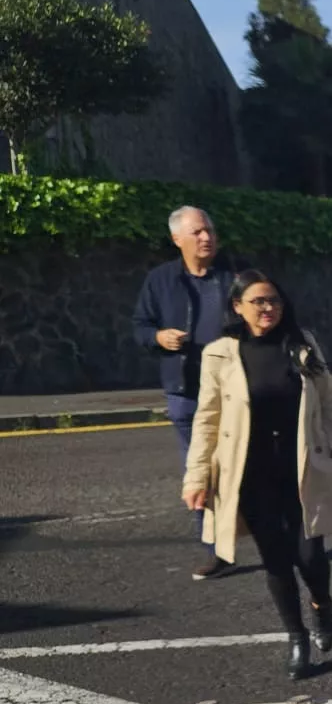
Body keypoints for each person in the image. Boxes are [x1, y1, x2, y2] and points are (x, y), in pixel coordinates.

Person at [181, 271, 332, 679]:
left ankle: (322, 606)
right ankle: (297, 639)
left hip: (301, 465)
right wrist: (196, 477)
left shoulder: (302, 343)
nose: (268, 308)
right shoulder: (220, 353)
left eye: (273, 299)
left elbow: (327, 397)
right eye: (257, 301)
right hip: (250, 471)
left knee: (310, 556)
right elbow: (206, 418)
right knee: (275, 560)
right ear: (238, 307)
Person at [132, 206, 236, 580]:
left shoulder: (236, 275)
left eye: (209, 229)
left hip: (237, 390)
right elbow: (140, 327)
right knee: (201, 473)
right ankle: (216, 550)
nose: (206, 237)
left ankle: (276, 537)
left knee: (249, 466)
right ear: (177, 239)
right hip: (186, 392)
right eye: (197, 232)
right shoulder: (160, 281)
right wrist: (158, 337)